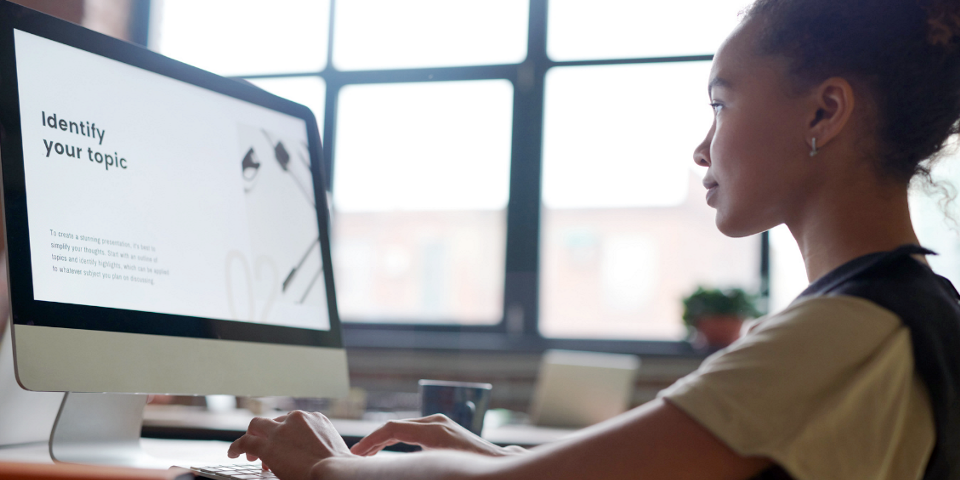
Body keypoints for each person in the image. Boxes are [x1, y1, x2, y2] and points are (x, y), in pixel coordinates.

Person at [227, 0, 960, 478]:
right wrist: (491, 454)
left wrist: (330, 467)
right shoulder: (918, 314)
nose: (703, 150)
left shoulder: (844, 335)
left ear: (825, 112)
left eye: (722, 103)